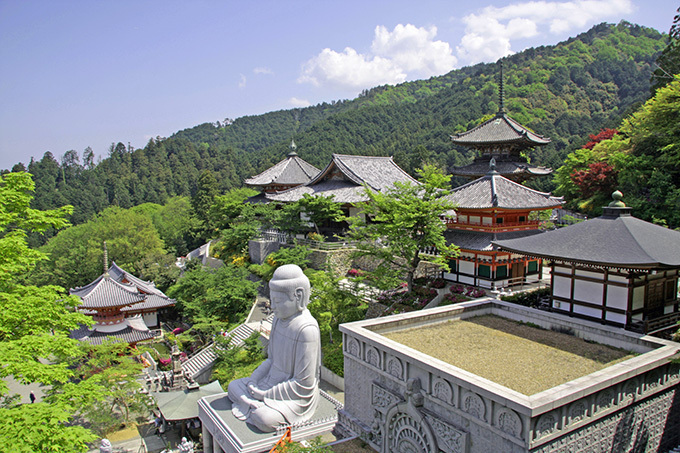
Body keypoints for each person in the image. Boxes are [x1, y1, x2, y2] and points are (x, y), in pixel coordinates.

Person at [228, 264, 321, 432]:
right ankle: (252, 404)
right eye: (272, 301)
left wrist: (266, 395)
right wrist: (253, 380)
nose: (273, 307)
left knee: (265, 419)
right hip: (267, 383)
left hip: (291, 396)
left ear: (298, 296)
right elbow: (271, 360)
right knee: (233, 387)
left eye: (278, 301)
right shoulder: (278, 319)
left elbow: (304, 384)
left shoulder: (307, 330)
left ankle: (251, 405)